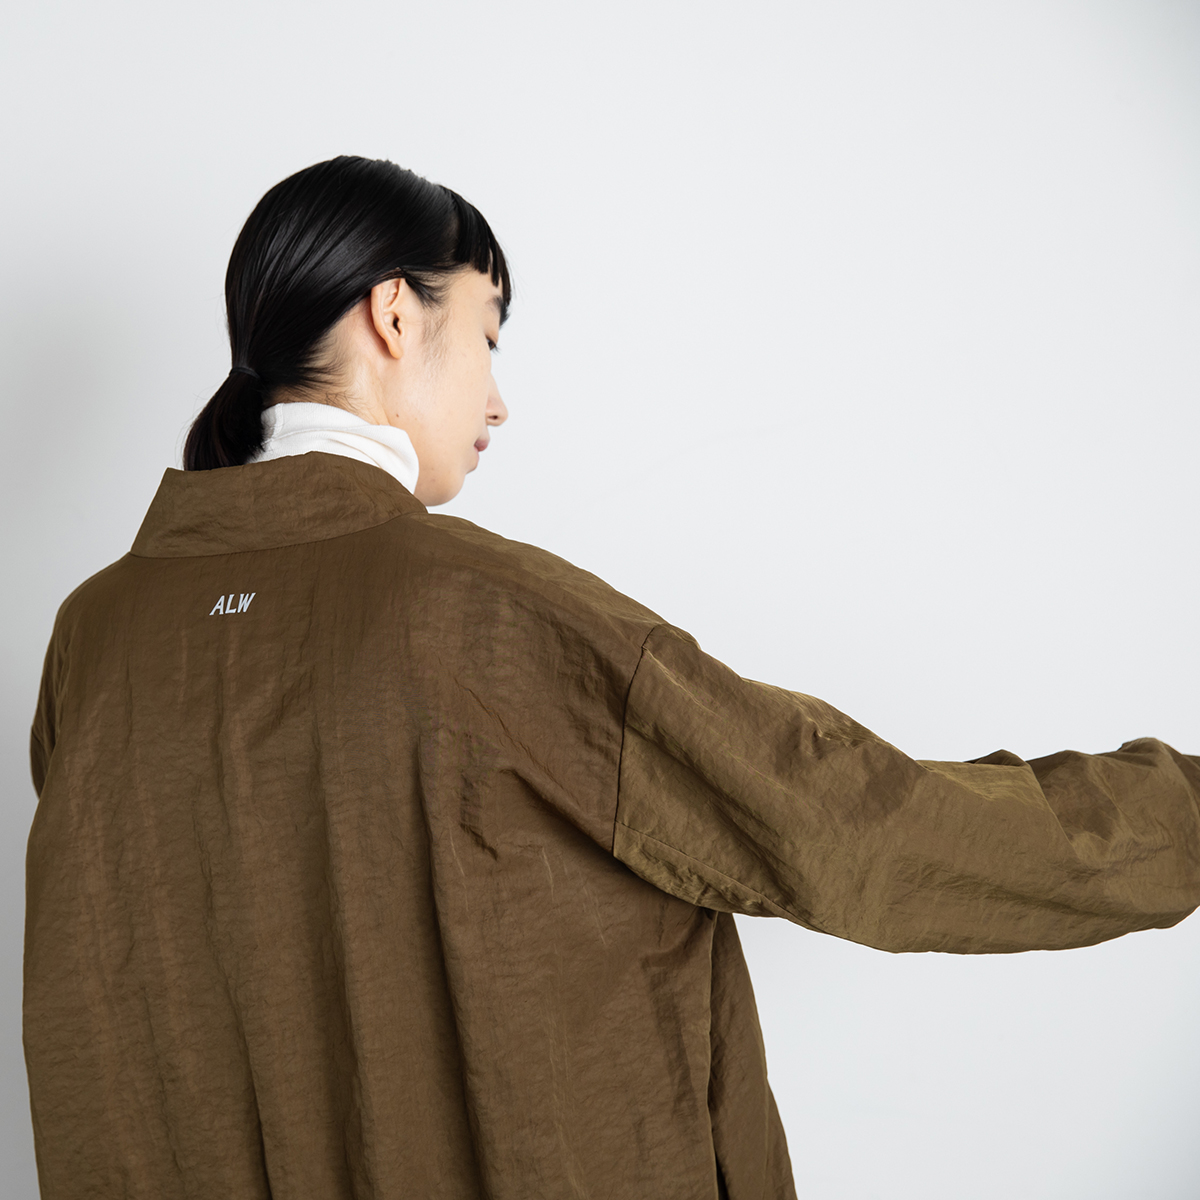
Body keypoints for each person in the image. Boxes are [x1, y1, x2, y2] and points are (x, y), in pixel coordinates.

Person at [25, 154, 1200, 1200]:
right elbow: (839, 817)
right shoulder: (477, 614)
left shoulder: (96, 638)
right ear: (393, 313)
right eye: (488, 335)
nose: (497, 399)